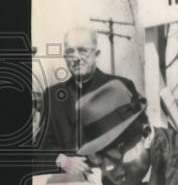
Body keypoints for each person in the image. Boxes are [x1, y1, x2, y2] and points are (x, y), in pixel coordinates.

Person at [34, 26, 139, 175]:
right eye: (70, 52)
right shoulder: (52, 97)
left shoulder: (122, 88)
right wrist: (60, 160)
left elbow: (136, 141)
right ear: (64, 57)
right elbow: (41, 147)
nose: (76, 58)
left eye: (83, 50)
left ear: (96, 54)